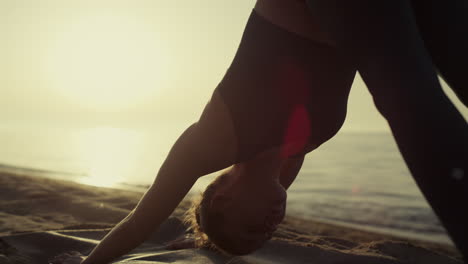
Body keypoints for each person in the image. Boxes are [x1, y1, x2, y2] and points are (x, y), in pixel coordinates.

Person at [52, 0, 468, 262]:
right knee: (416, 99)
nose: (270, 225)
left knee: (412, 103)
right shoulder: (291, 161)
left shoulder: (213, 142)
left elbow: (140, 224)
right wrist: (204, 246)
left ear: (223, 196)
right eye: (267, 234)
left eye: (252, 227)